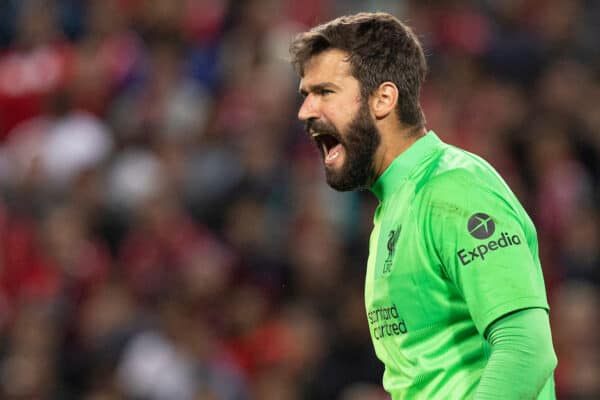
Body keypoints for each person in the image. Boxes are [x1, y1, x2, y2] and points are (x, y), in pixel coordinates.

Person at [289, 12, 557, 399]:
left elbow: (525, 350)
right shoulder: (394, 207)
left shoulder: (455, 188)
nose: (305, 111)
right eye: (305, 95)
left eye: (325, 92)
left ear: (383, 98)